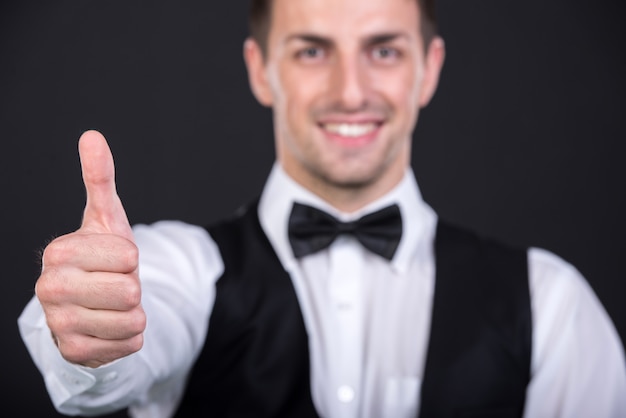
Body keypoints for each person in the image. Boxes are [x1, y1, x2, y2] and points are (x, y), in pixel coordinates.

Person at [17, 0, 626, 416]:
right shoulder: (178, 270)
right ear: (261, 70)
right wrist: (90, 329)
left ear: (428, 69)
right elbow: (109, 361)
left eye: (383, 51)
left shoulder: (551, 303)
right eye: (312, 51)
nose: (351, 91)